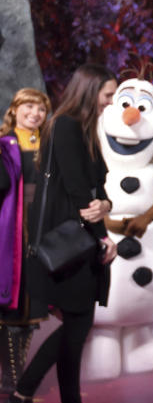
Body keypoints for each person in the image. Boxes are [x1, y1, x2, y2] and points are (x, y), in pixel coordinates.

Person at [11, 64, 119, 403]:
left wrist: (105, 206)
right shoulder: (66, 126)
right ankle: (24, 390)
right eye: (108, 94)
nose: (111, 102)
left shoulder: (83, 127)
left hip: (81, 240)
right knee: (77, 326)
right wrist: (102, 231)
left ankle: (37, 393)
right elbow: (79, 192)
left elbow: (98, 190)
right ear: (91, 91)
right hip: (70, 243)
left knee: (76, 327)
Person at [1, 89, 51, 395]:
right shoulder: (5, 144)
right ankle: (12, 384)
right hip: (10, 229)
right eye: (29, 106)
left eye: (41, 109)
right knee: (11, 308)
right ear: (15, 109)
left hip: (42, 231)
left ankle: (17, 384)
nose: (35, 113)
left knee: (32, 310)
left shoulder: (50, 146)